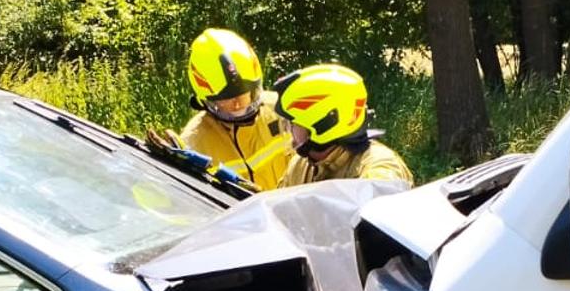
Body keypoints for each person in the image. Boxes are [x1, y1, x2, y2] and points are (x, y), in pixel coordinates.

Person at [177, 28, 292, 193]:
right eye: (226, 99)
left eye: (243, 94)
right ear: (206, 100)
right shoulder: (194, 142)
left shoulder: (283, 110)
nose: (237, 105)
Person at [272, 64, 413, 188]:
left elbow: (376, 207)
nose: (288, 130)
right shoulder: (300, 165)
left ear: (323, 125)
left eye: (292, 123)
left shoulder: (380, 168)